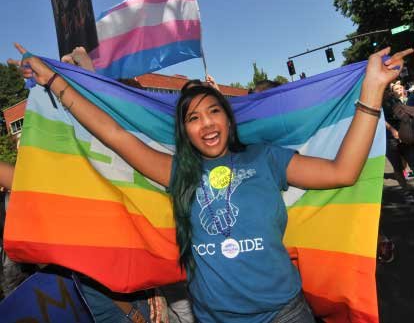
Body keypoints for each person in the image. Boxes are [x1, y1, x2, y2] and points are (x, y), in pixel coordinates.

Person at [9, 43, 413, 322]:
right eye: (193, 117)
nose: (206, 124)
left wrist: (372, 90)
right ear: (184, 131)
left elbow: (343, 171)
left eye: (213, 112)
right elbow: (115, 136)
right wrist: (54, 82)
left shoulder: (265, 158)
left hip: (285, 314)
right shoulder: (175, 173)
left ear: (228, 117)